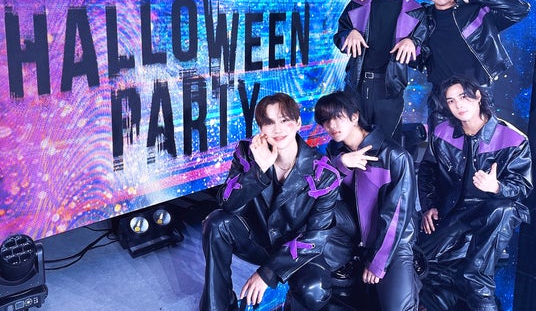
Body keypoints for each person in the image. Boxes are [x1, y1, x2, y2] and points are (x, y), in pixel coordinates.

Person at [199, 92, 341, 311]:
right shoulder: (246, 153)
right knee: (216, 222)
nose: (277, 129)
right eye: (269, 122)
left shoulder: (324, 173)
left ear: (298, 123)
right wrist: (259, 170)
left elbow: (316, 236)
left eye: (284, 120)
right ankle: (218, 307)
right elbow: (227, 203)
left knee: (315, 290)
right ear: (260, 128)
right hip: (258, 240)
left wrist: (268, 273)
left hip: (297, 249)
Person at [417, 76, 533, 311]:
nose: (458, 105)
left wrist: (497, 187)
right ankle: (458, 273)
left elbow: (522, 186)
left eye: (463, 97)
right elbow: (427, 171)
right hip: (453, 213)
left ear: (478, 96)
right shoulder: (442, 133)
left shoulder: (513, 139)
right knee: (420, 263)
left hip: (489, 212)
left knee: (507, 209)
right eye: (451, 101)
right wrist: (429, 205)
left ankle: (477, 280)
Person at [314, 91, 420, 311]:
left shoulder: (395, 156)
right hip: (355, 237)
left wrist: (378, 262)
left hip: (392, 243)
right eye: (325, 120)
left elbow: (397, 215)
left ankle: (413, 280)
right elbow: (316, 189)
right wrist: (341, 163)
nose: (331, 125)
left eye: (337, 117)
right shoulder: (335, 151)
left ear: (354, 116)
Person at [413, 0, 530, 128]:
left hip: (477, 92)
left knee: (482, 141)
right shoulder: (422, 18)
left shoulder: (477, 10)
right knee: (441, 141)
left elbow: (520, 10)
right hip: (441, 97)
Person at [333, 0, 425, 138]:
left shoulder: (416, 11)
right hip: (356, 85)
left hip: (390, 88)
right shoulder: (359, 3)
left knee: (387, 144)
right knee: (352, 140)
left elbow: (424, 50)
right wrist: (349, 33)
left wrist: (413, 42)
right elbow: (339, 37)